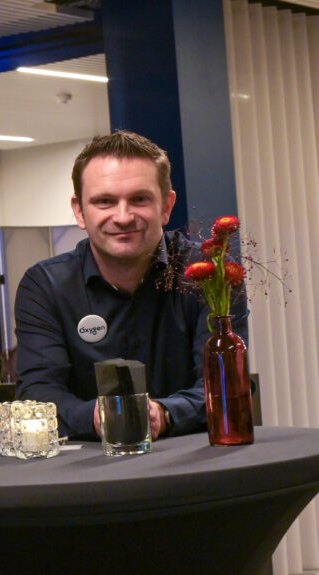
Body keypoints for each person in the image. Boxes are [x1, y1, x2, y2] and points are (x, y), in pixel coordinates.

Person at [14, 130, 248, 440]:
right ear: (79, 211)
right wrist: (98, 417)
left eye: (139, 199)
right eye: (105, 201)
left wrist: (163, 414)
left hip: (193, 459)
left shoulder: (210, 277)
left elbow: (224, 385)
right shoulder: (45, 287)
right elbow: (39, 394)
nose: (123, 217)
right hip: (89, 464)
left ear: (166, 206)